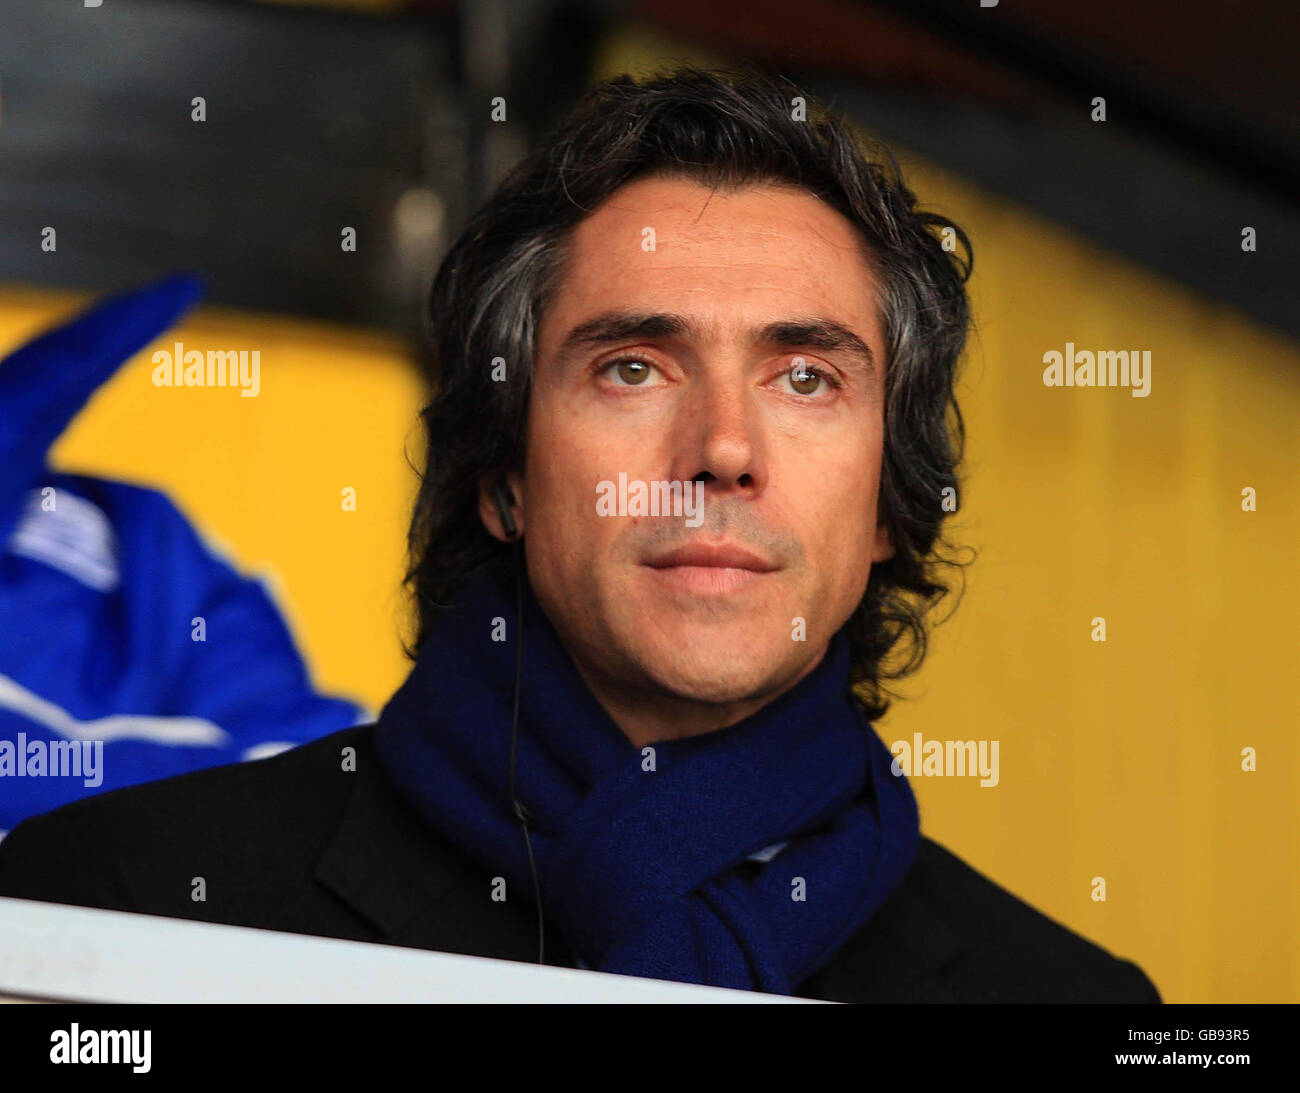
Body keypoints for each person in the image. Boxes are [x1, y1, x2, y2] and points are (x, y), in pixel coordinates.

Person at [0, 67, 1160, 1002]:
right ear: (504, 474)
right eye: (633, 368)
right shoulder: (106, 910)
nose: (721, 446)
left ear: (890, 510)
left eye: (806, 377)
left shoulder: (1068, 1002)